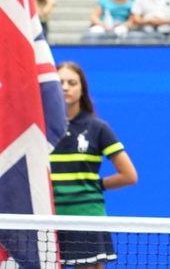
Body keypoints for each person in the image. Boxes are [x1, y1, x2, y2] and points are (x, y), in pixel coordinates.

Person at [50, 61, 138, 269]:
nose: (65, 87)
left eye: (72, 82)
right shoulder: (40, 128)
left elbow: (129, 175)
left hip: (86, 218)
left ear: (82, 90)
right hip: (48, 219)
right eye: (59, 82)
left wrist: (96, 185)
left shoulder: (97, 128)